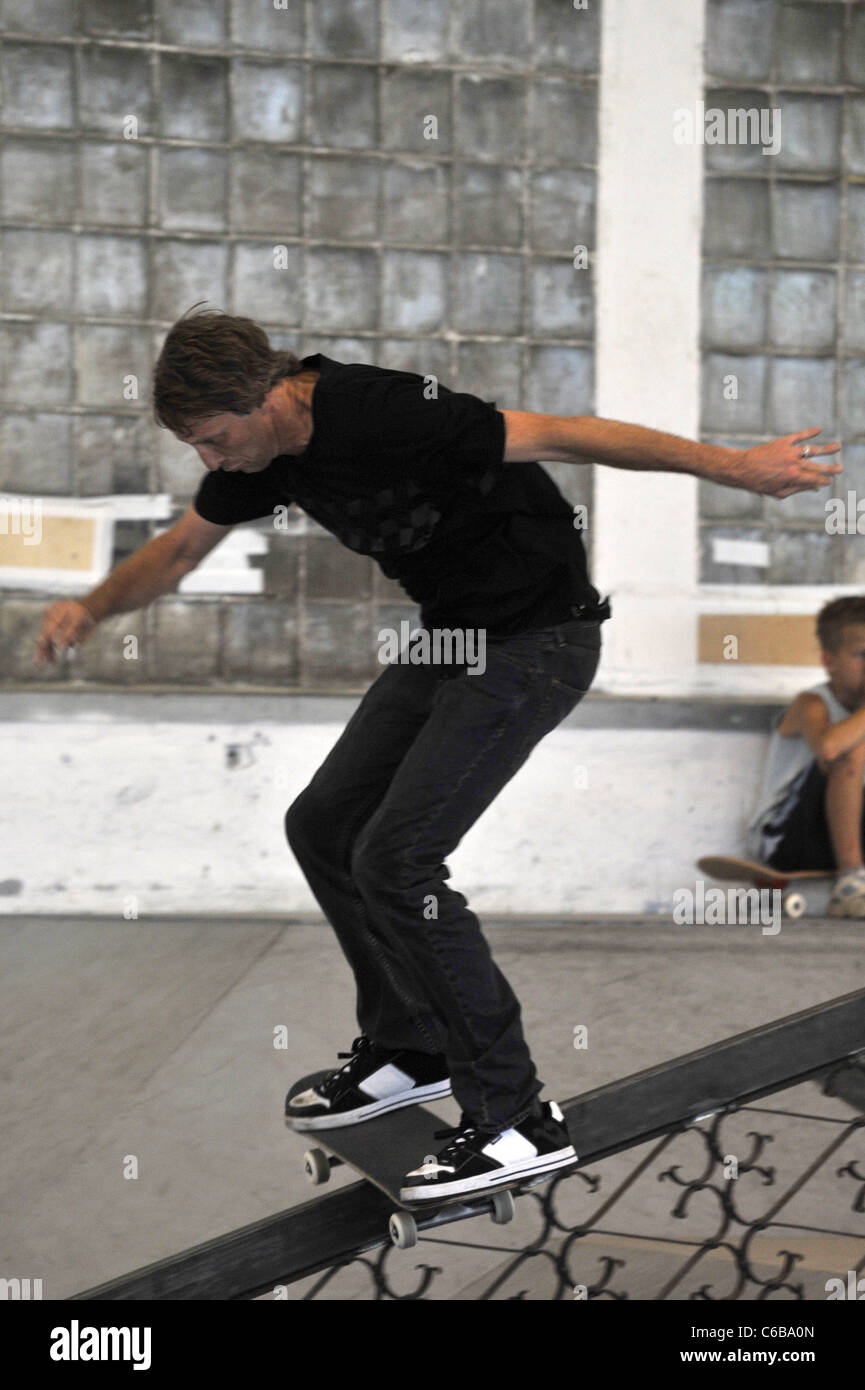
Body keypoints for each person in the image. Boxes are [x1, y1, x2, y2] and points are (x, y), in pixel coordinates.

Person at [35, 307, 842, 1202]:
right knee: (324, 824)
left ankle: (514, 1115)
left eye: (216, 440)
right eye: (197, 446)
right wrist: (94, 607)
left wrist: (734, 466)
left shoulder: (388, 411)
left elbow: (569, 435)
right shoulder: (261, 455)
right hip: (452, 641)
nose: (211, 462)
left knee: (398, 858)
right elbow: (179, 551)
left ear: (266, 398)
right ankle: (409, 1047)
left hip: (540, 639)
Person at [746, 597, 865, 919]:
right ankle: (850, 885)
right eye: (861, 655)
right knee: (854, 751)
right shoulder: (811, 703)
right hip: (787, 839)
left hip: (842, 832)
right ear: (829, 661)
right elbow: (828, 750)